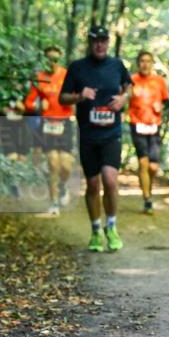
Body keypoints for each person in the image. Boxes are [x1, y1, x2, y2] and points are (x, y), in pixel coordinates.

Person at [59, 25, 134, 252]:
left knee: (110, 179)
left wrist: (124, 99)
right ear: (90, 43)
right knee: (92, 184)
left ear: (108, 43)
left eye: (103, 40)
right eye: (96, 41)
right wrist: (80, 96)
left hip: (111, 133)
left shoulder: (117, 65)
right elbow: (62, 98)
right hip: (88, 134)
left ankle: (111, 227)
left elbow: (129, 86)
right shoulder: (77, 67)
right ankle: (94, 230)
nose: (100, 44)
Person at [25, 45, 74, 215]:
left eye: (55, 60)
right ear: (44, 60)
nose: (52, 63)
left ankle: (62, 186)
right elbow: (28, 103)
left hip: (65, 122)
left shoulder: (67, 75)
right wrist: (39, 104)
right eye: (49, 59)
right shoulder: (40, 78)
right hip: (47, 123)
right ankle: (53, 203)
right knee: (53, 163)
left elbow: (77, 95)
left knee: (66, 165)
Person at [128, 50, 169, 214]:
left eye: (148, 61)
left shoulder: (159, 81)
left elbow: (168, 103)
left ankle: (148, 188)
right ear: (138, 64)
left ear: (152, 64)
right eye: (142, 61)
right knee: (143, 163)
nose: (145, 64)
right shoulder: (131, 81)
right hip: (136, 124)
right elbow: (124, 99)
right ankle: (147, 199)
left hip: (154, 126)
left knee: (153, 167)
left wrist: (162, 107)